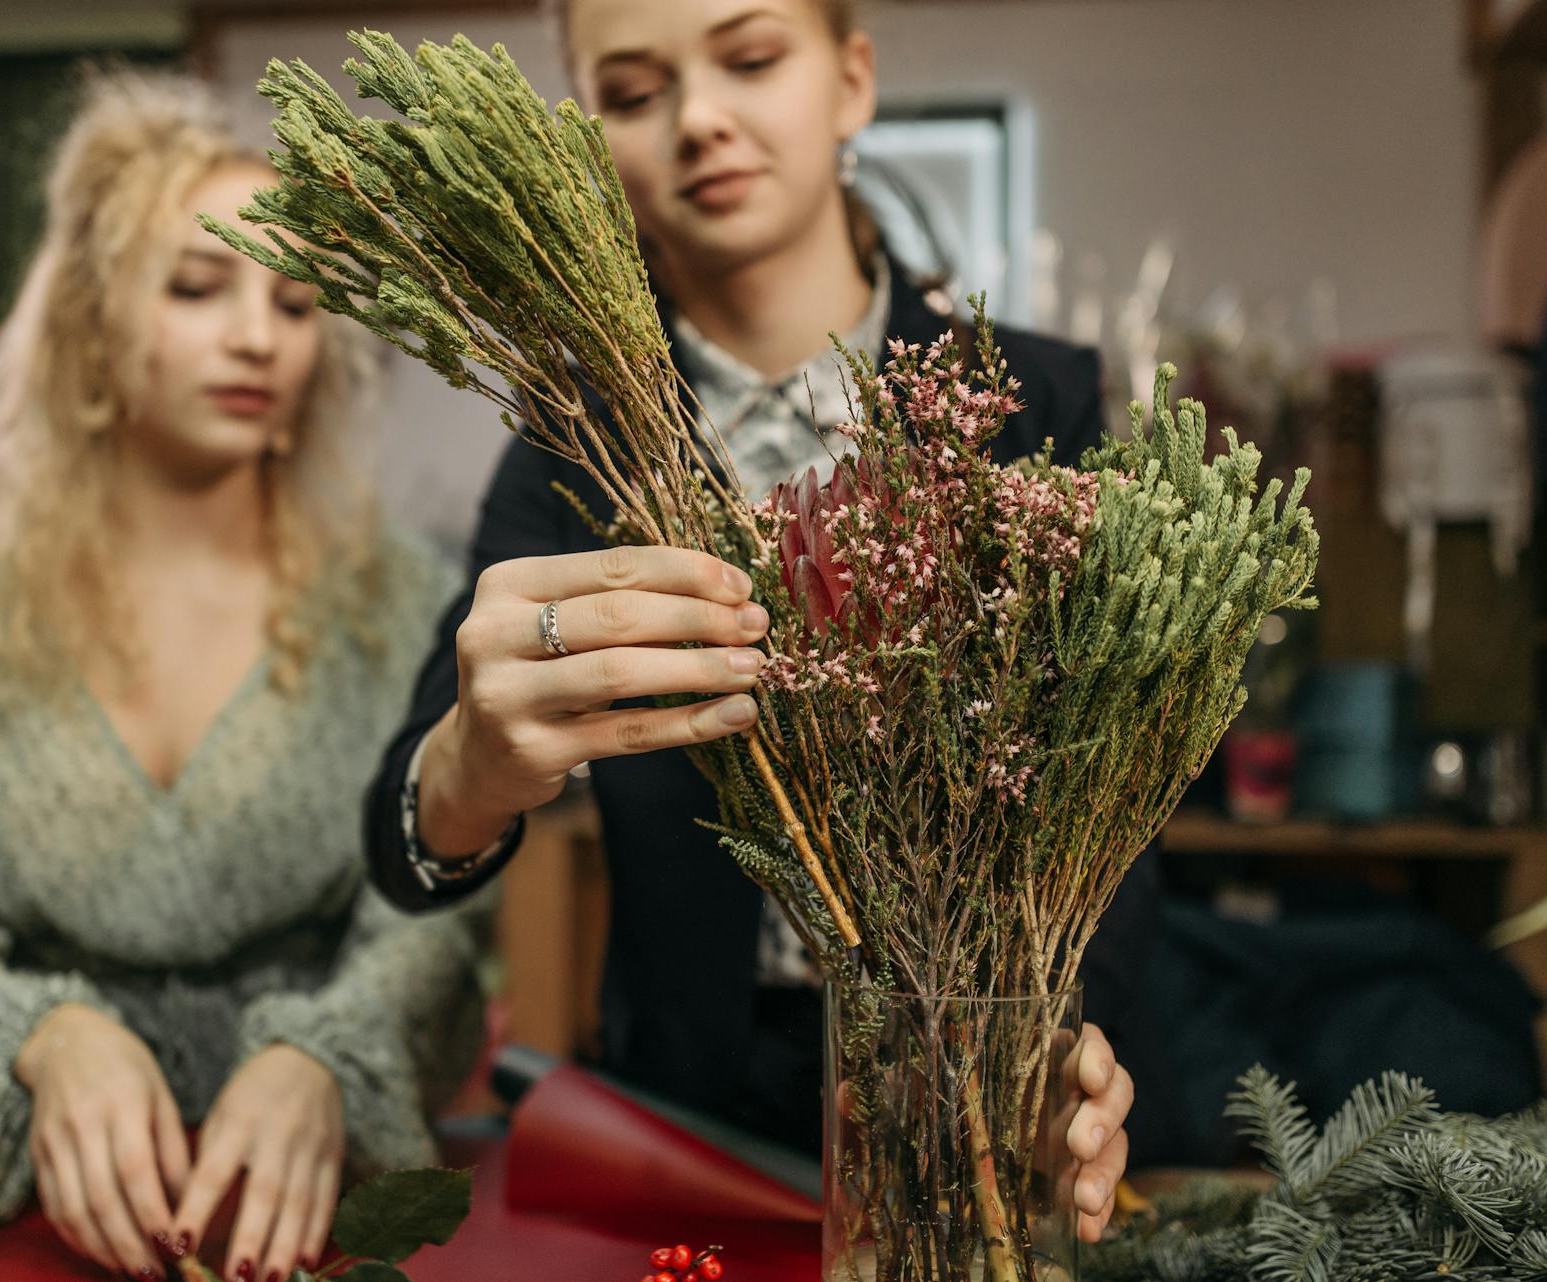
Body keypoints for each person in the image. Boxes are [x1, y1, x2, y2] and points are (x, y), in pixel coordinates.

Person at [364, 0, 1158, 1242]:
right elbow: (404, 842)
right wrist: (470, 760)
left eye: (748, 59)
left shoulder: (1031, 400)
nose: (701, 121)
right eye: (633, 93)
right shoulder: (579, 450)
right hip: (682, 1132)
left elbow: (1116, 798)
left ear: (850, 79)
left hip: (967, 1125)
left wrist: (1063, 1039)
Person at [0, 70, 485, 1282]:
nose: (257, 337)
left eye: (295, 305)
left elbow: (434, 926)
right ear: (89, 325)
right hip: (31, 1199)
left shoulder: (404, 597)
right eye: (199, 287)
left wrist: (324, 1054)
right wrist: (45, 1033)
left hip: (317, 1210)